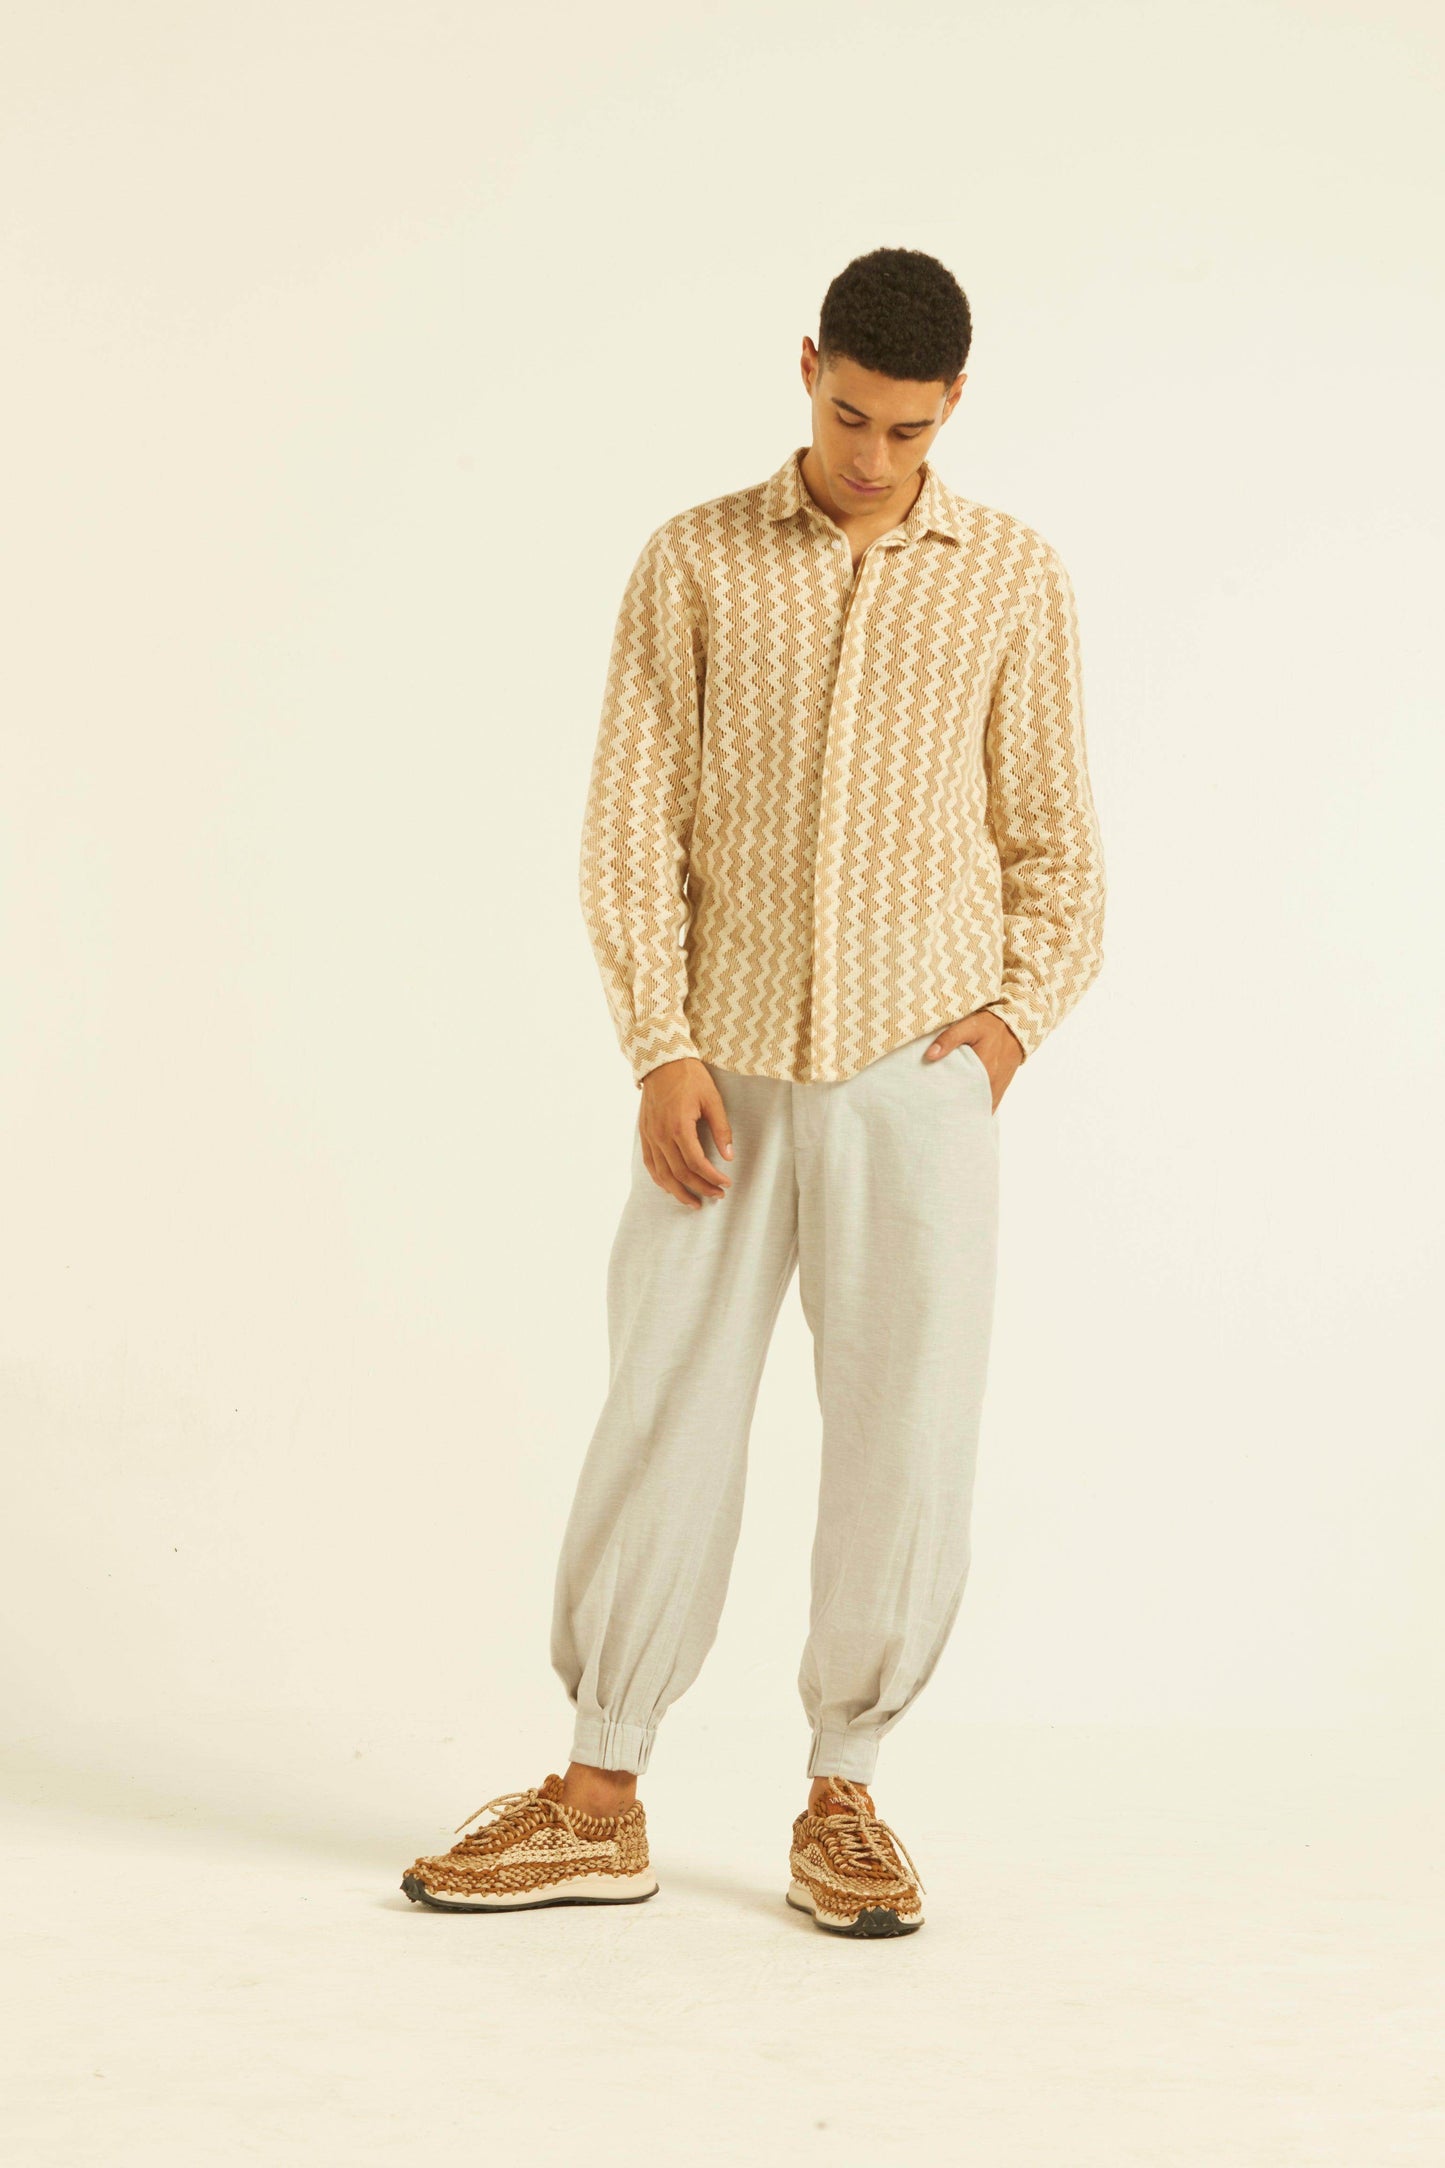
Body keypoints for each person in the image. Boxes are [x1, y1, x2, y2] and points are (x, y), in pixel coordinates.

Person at [400, 246, 1106, 1937]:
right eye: (851, 415)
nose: (873, 455)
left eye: (908, 429)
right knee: (664, 1409)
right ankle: (598, 1796)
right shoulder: (695, 558)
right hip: (714, 1074)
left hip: (916, 1072)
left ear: (953, 407)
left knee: (904, 1432)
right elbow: (628, 825)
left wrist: (1006, 1035)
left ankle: (843, 1793)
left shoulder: (1010, 576)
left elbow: (1055, 848)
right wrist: (657, 1044)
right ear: (806, 368)